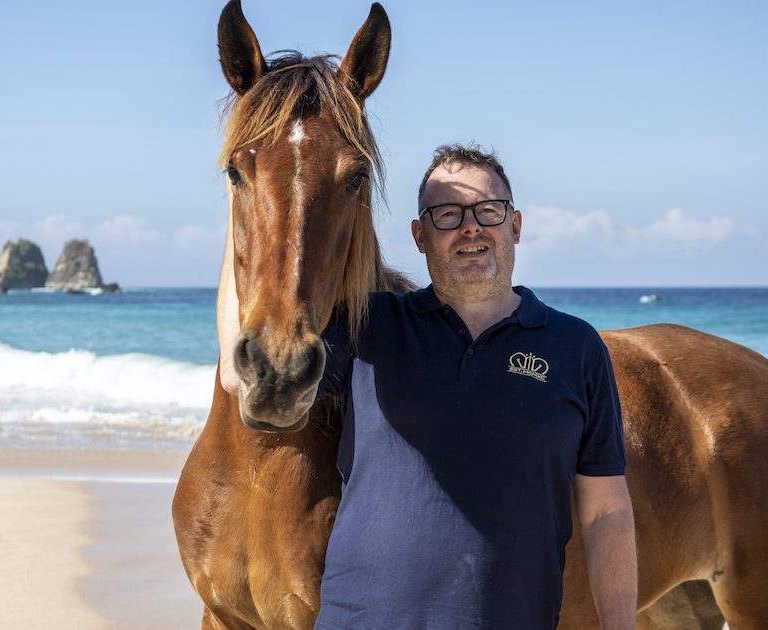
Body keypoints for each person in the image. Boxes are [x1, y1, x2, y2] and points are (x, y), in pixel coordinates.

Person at [221, 144, 636, 629]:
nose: (471, 226)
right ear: (420, 236)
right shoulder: (368, 326)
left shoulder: (576, 347)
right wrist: (243, 207)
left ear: (515, 225)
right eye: (447, 215)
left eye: (488, 210)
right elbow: (238, 374)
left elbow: (606, 510)